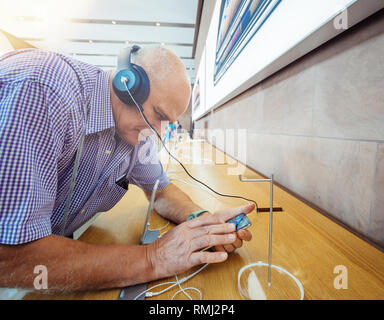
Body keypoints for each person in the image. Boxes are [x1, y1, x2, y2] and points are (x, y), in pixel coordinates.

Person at [0, 46, 254, 293]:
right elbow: (10, 257)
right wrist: (153, 258)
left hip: (44, 265)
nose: (158, 131)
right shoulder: (45, 89)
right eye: (158, 114)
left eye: (167, 122)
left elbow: (162, 192)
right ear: (127, 83)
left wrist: (204, 224)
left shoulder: (134, 130)